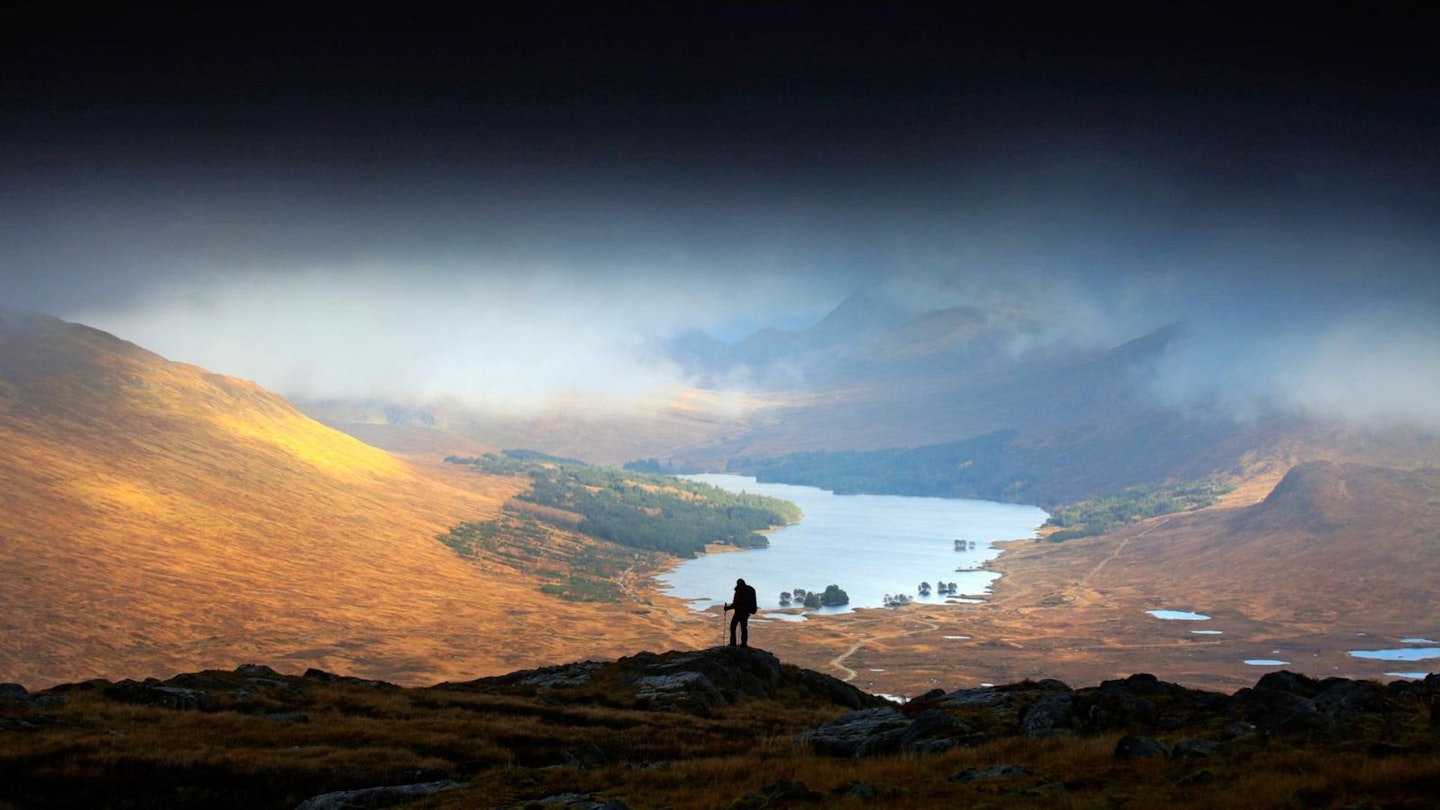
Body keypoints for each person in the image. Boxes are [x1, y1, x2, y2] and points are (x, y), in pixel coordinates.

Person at [724, 577, 759, 647]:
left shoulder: (739, 591)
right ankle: (743, 644)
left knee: (733, 626)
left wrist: (727, 608)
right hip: (745, 613)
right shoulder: (749, 590)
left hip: (738, 613)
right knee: (744, 628)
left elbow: (736, 603)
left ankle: (733, 643)